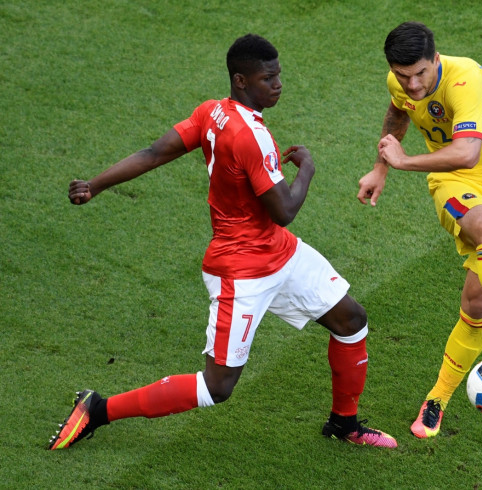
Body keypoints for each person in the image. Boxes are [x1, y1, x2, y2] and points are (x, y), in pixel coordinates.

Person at [49, 34, 397, 450]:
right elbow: (283, 209)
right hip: (241, 269)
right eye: (268, 78)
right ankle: (98, 409)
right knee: (218, 386)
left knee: (351, 321)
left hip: (279, 252)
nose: (278, 84)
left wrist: (95, 185)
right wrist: (307, 168)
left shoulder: (211, 113)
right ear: (241, 80)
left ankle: (345, 423)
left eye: (279, 75)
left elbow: (154, 152)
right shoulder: (251, 136)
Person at [357, 22, 482, 439]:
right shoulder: (399, 81)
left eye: (420, 74)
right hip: (450, 179)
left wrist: (400, 162)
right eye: (402, 76)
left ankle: (435, 400)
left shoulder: (464, 78)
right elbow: (398, 111)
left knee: (477, 304)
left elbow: (469, 152)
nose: (412, 85)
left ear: (436, 59)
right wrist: (381, 167)